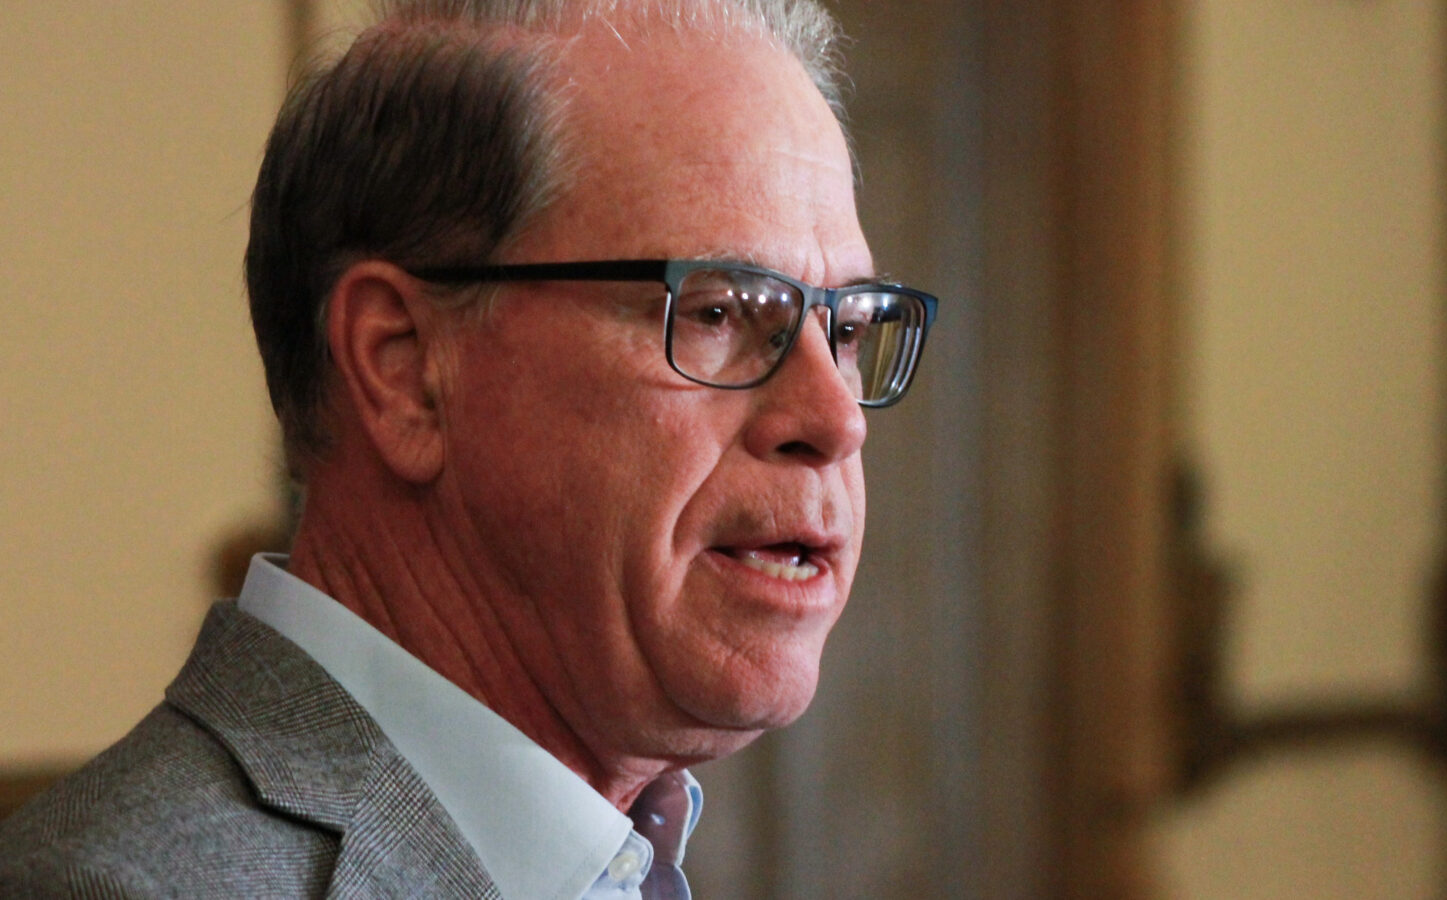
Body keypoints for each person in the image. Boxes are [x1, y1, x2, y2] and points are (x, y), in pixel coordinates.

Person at [0, 0, 938, 896]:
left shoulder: (622, 854)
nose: (835, 417)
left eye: (847, 329)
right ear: (404, 369)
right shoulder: (110, 886)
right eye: (720, 312)